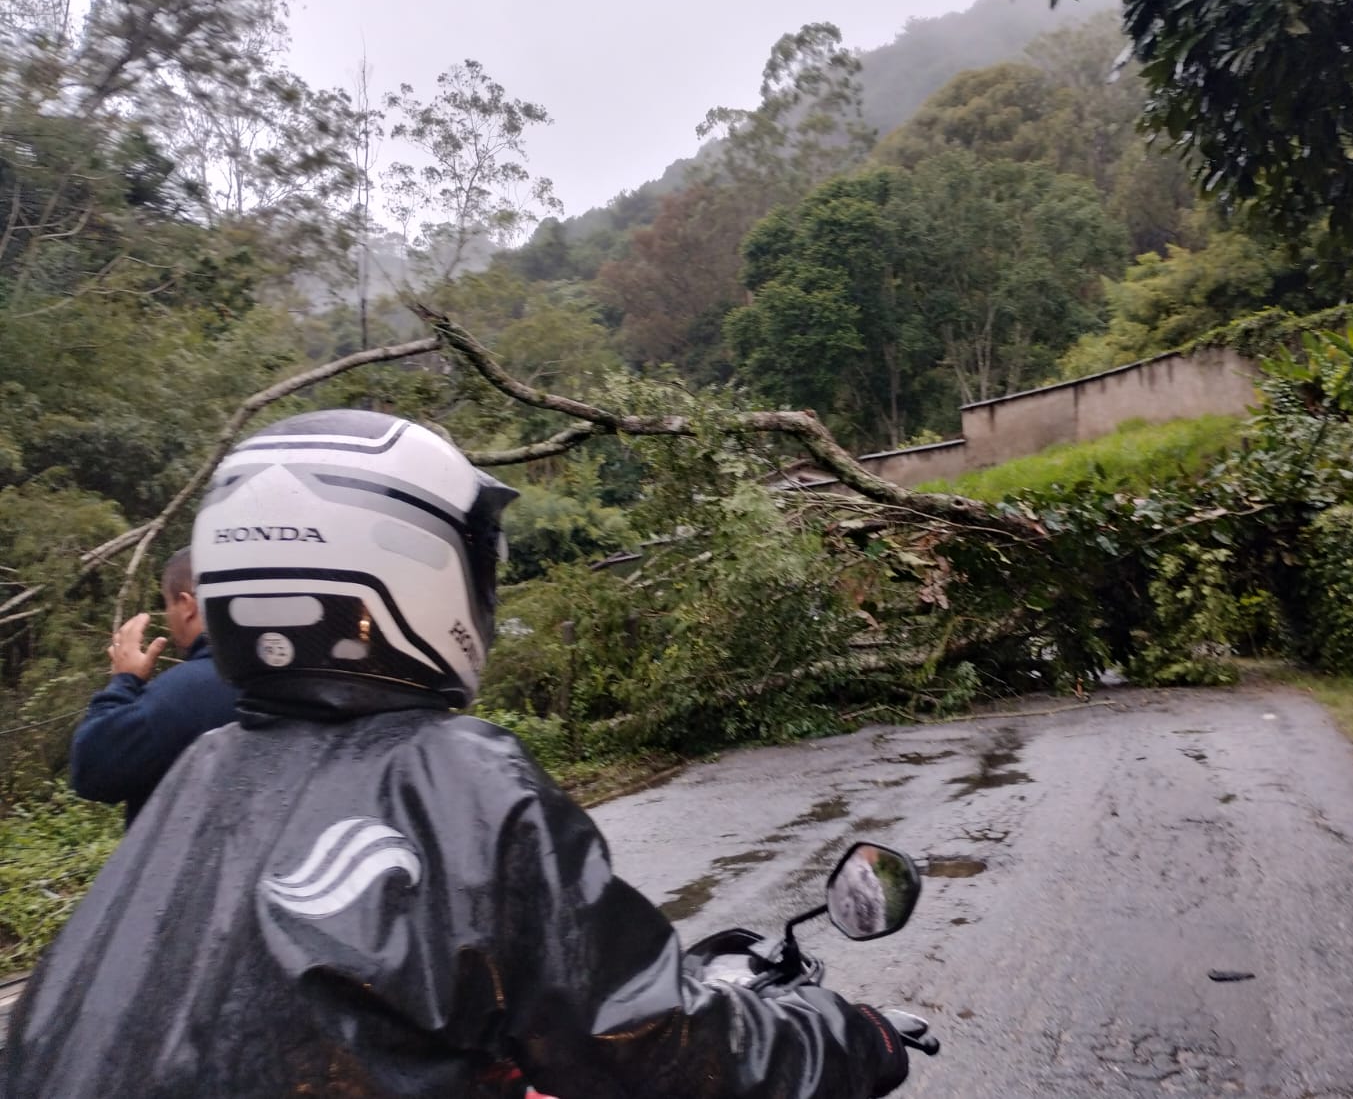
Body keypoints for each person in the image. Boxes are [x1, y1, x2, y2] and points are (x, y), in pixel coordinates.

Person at [3, 410, 909, 1099]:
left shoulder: (198, 774)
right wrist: (855, 1038)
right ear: (412, 564)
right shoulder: (456, 780)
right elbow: (650, 1036)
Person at [69, 545, 241, 825]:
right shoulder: (293, 679)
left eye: (167, 604)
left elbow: (92, 769)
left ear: (187, 606)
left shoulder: (184, 694)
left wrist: (125, 680)